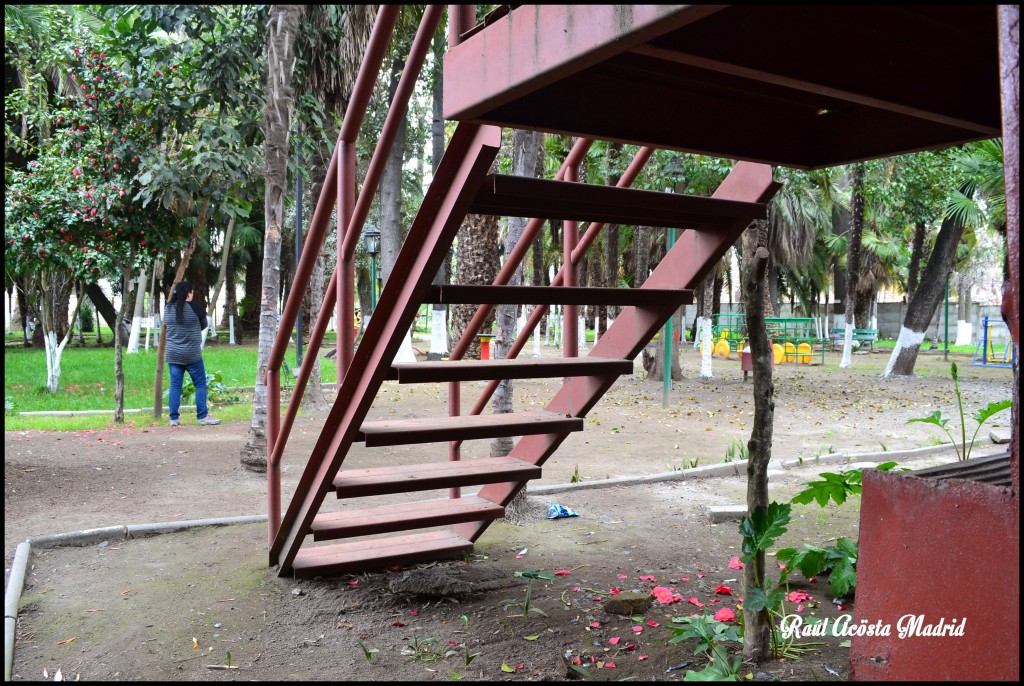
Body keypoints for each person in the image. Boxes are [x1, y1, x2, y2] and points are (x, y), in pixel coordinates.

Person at [165, 280, 220, 426]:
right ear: (188, 293)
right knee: (201, 384)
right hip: (192, 355)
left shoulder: (168, 308)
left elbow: (167, 324)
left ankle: (174, 419)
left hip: (173, 354)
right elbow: (203, 325)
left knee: (175, 386)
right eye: (192, 292)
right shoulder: (196, 308)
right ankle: (202, 416)